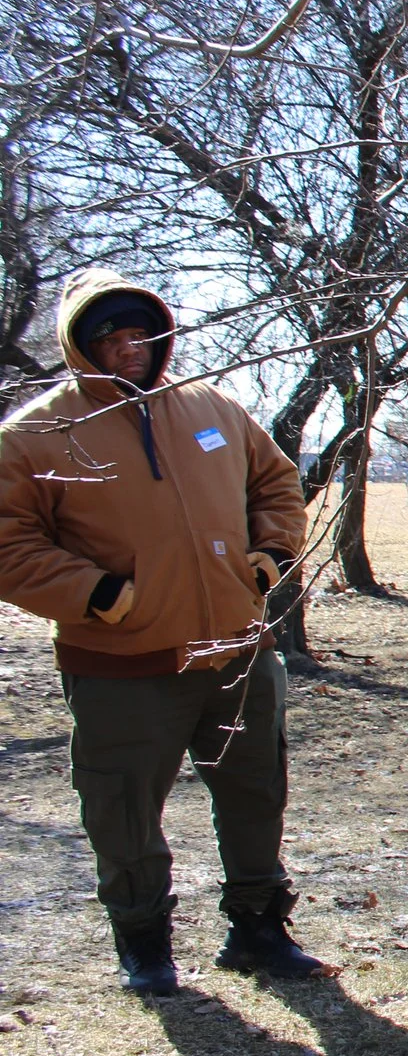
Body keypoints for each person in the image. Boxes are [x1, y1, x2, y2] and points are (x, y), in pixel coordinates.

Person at [0, 268, 317, 994]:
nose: (128, 348)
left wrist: (267, 557)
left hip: (237, 653)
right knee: (122, 809)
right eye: (109, 337)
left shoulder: (211, 407)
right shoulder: (37, 435)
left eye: (139, 333)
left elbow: (276, 482)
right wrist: (101, 594)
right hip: (123, 662)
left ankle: (259, 928)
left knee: (255, 790)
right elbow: (9, 545)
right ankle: (145, 944)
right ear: (81, 348)